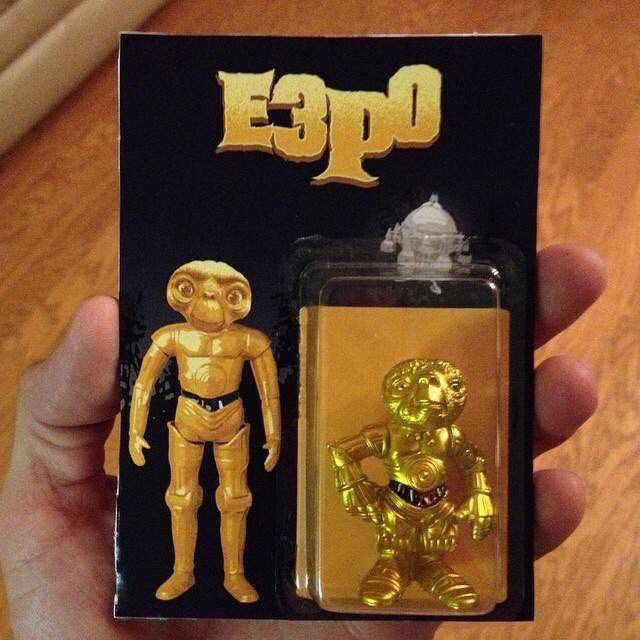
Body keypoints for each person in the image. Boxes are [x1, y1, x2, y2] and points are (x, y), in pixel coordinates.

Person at [0, 244, 606, 640]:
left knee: (235, 500)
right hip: (186, 420)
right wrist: (135, 429)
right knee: (182, 498)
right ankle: (183, 570)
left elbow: (269, 394)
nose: (210, 303)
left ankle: (235, 573)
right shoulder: (169, 338)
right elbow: (144, 385)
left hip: (236, 421)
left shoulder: (251, 342)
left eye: (222, 294)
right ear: (184, 295)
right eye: (199, 292)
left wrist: (273, 434)